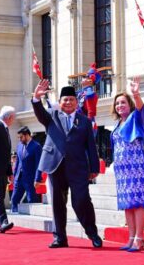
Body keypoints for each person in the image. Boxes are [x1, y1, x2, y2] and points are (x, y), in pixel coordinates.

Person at [32, 80, 102, 248]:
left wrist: (94, 167)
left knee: (82, 200)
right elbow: (40, 113)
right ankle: (60, 238)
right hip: (56, 166)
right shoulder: (52, 117)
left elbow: (91, 146)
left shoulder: (84, 121)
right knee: (57, 203)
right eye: (65, 100)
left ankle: (92, 234)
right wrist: (36, 98)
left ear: (76, 102)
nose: (68, 102)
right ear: (60, 102)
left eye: (71, 99)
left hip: (78, 168)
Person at [111, 76, 144, 252]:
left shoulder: (136, 117)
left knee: (137, 202)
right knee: (127, 203)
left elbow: (141, 109)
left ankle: (139, 238)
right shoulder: (116, 124)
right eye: (117, 103)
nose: (120, 106)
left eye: (123, 103)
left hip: (136, 167)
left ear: (130, 104)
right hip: (122, 169)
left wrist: (136, 94)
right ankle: (131, 237)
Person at [10, 126, 42, 213]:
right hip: (19, 178)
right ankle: (15, 219)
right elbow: (17, 162)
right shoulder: (19, 145)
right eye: (18, 137)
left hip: (30, 179)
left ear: (27, 135)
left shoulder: (36, 146)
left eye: (21, 137)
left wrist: (37, 179)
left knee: (31, 201)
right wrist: (14, 175)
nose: (20, 139)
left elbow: (38, 164)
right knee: (14, 200)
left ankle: (34, 220)